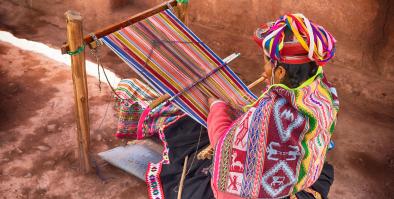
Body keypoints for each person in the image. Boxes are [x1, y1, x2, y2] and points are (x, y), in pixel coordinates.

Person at [207, 13, 339, 199]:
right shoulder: (322, 92)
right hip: (304, 176)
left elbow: (225, 146)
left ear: (280, 71)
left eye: (267, 62)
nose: (264, 71)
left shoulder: (269, 113)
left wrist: (217, 107)